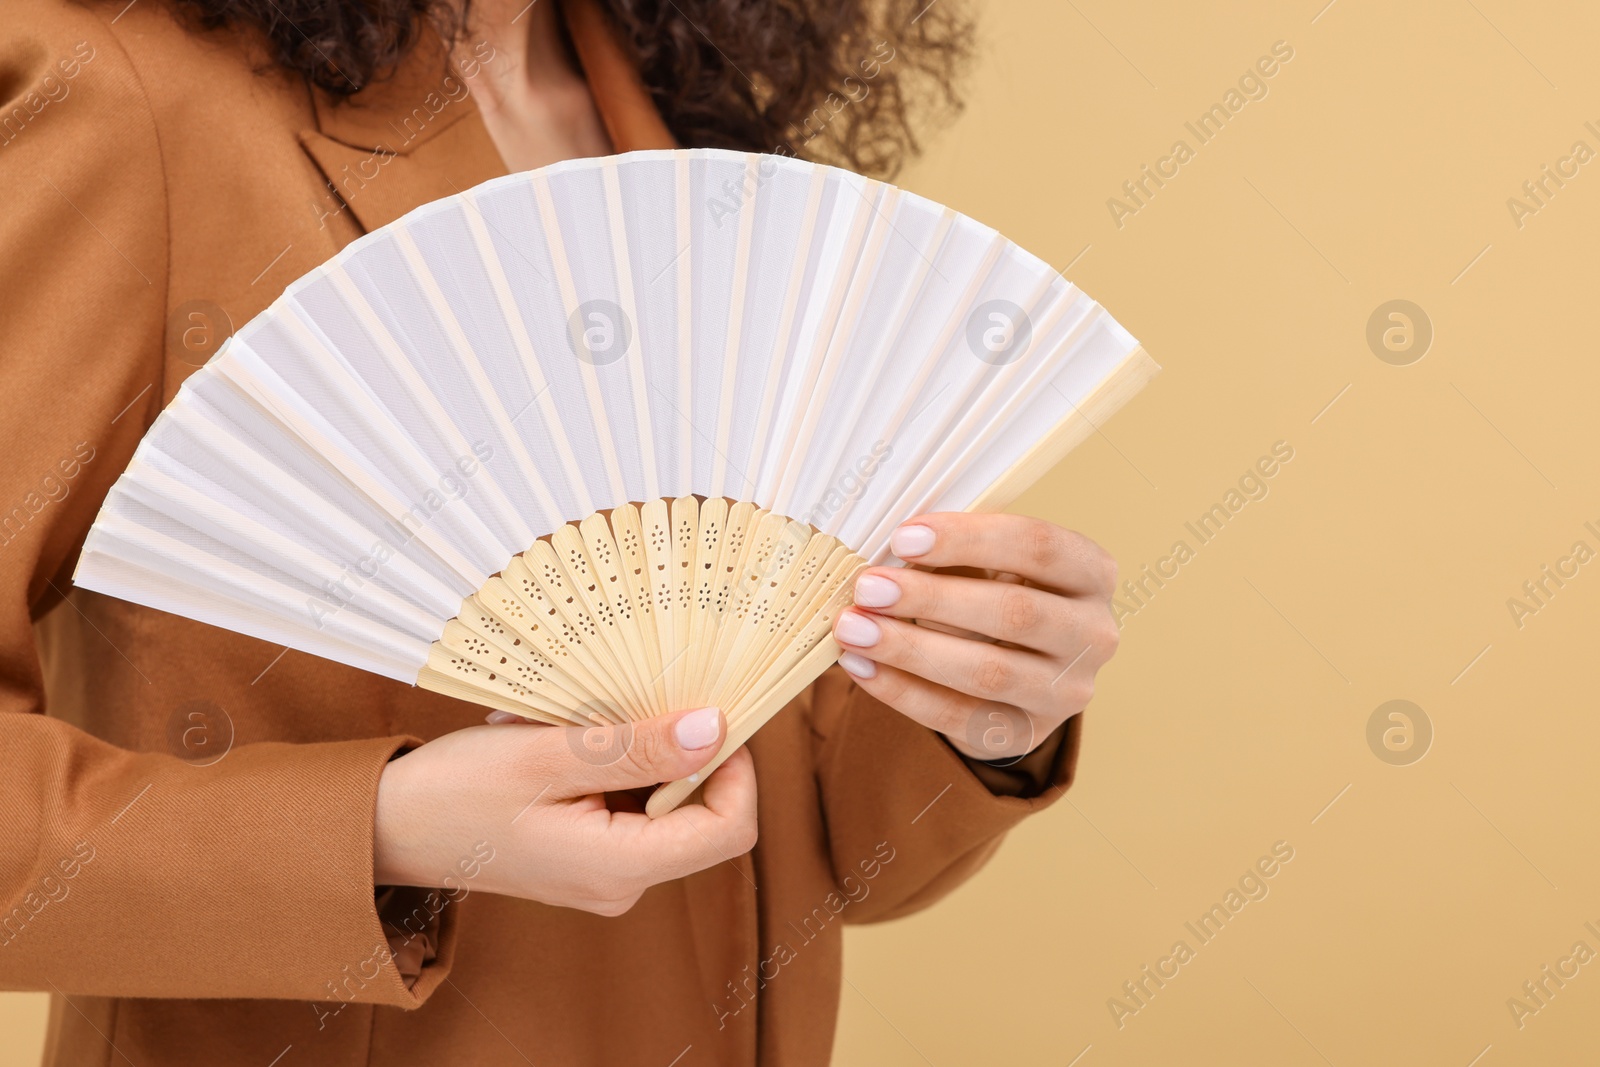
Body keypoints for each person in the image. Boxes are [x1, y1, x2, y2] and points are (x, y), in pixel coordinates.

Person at [0, 0, 1121, 1062]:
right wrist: (378, 830)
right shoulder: (123, 102)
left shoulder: (677, 123)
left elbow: (838, 855)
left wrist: (976, 702)